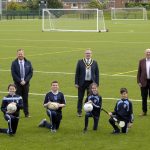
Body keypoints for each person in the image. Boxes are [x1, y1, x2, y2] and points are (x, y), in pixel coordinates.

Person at [75, 49, 99, 117]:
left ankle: (89, 110)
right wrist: (76, 83)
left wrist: (96, 83)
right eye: (87, 53)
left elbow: (97, 74)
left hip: (91, 83)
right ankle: (79, 111)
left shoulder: (94, 62)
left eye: (89, 53)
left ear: (91, 54)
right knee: (80, 98)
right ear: (84, 54)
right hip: (81, 83)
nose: (88, 54)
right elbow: (77, 73)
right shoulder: (80, 62)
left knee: (90, 98)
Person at [11, 49, 33, 118]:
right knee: (17, 99)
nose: (20, 55)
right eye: (19, 54)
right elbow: (13, 74)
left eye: (21, 54)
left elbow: (30, 73)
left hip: (26, 84)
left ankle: (26, 114)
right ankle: (17, 114)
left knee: (25, 99)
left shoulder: (28, 62)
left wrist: (25, 81)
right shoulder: (14, 63)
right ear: (17, 54)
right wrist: (20, 81)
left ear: (24, 54)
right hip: (17, 84)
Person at [137, 48, 150, 116]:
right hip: (143, 82)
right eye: (147, 52)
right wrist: (138, 81)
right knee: (144, 97)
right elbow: (139, 72)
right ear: (145, 53)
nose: (148, 53)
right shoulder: (141, 61)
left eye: (149, 52)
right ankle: (144, 111)